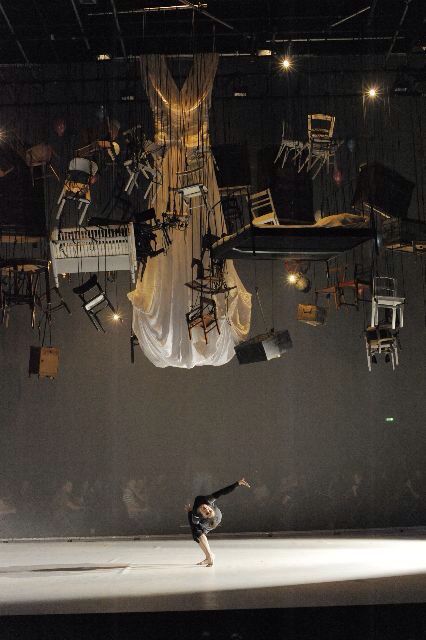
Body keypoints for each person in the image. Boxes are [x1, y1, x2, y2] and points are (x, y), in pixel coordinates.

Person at [185, 478, 250, 567]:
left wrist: (189, 513)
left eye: (207, 512)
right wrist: (237, 483)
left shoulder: (197, 515)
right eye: (208, 510)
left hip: (215, 519)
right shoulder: (207, 501)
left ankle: (210, 556)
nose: (207, 509)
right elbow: (222, 492)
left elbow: (194, 525)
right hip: (213, 515)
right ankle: (209, 556)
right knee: (196, 535)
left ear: (203, 517)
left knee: (198, 533)